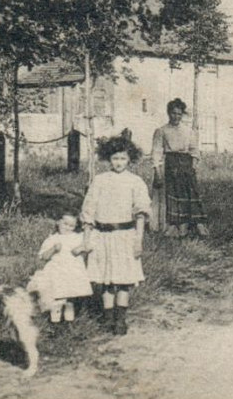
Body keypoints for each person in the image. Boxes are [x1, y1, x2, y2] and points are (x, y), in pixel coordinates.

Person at [80, 133, 152, 335]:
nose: (119, 163)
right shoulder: (100, 181)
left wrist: (138, 241)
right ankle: (107, 318)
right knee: (106, 282)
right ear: (108, 159)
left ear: (129, 159)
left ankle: (121, 320)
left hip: (125, 235)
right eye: (115, 158)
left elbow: (140, 212)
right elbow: (89, 210)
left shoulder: (135, 182)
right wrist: (87, 238)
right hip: (102, 235)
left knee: (123, 280)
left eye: (122, 158)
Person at [152, 98, 210, 238]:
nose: (176, 116)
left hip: (186, 164)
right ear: (168, 113)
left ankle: (196, 225)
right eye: (173, 113)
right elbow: (157, 152)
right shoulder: (161, 131)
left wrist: (193, 167)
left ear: (182, 115)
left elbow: (195, 151)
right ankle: (176, 226)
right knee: (174, 194)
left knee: (191, 194)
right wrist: (158, 172)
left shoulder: (188, 131)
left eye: (179, 114)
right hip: (171, 165)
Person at [26, 212, 94, 324]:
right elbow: (43, 257)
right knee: (57, 300)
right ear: (58, 222)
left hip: (73, 272)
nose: (67, 228)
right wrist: (53, 249)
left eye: (71, 226)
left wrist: (81, 249)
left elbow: (90, 246)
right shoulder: (52, 239)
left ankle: (68, 323)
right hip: (57, 273)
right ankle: (55, 323)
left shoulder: (78, 238)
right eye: (65, 224)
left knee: (70, 301)